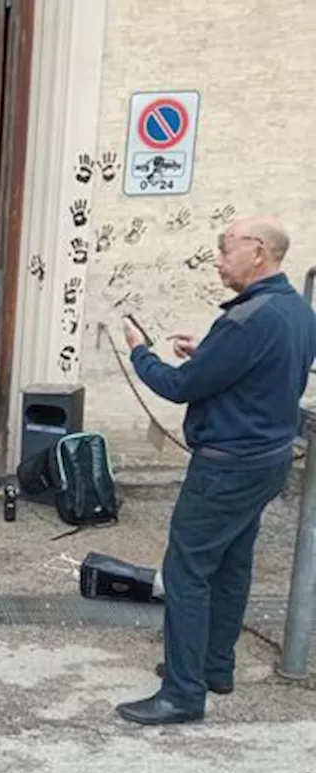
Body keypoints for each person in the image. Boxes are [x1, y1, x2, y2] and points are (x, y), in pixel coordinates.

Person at [116, 215, 316, 726]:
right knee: (232, 564)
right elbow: (258, 374)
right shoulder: (294, 310)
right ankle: (214, 666)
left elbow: (182, 386)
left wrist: (140, 352)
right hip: (267, 459)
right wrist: (208, 355)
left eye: (225, 248)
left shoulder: (249, 319)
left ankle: (182, 693)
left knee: (187, 572)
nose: (218, 258)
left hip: (227, 465)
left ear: (257, 251)